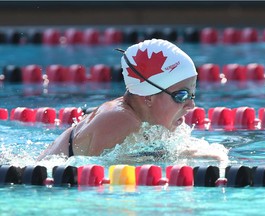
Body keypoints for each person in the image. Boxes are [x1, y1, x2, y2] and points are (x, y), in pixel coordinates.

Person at [38, 38, 199, 160]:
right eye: (181, 95)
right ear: (148, 97)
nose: (191, 105)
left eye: (192, 94)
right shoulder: (120, 120)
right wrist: (181, 156)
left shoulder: (137, 116)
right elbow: (100, 175)